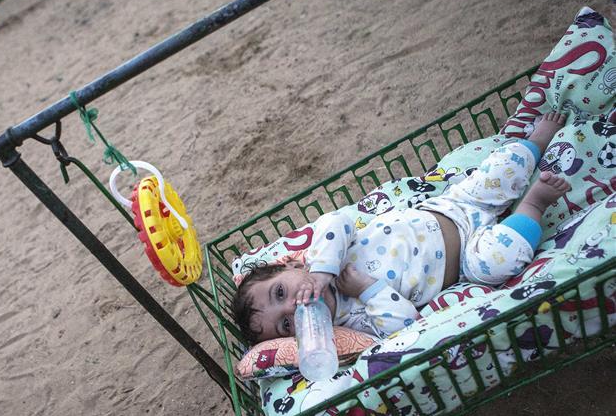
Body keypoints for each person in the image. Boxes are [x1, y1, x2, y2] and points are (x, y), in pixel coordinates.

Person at [232, 112, 571, 344]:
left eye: (280, 292)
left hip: (451, 205)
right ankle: (534, 205)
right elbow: (404, 325)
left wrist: (322, 271)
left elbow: (336, 220)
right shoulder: (351, 321)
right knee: (498, 261)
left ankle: (535, 143)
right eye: (287, 326)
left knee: (499, 171)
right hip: (468, 258)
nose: (293, 306)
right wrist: (367, 288)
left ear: (292, 266)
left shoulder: (327, 253)